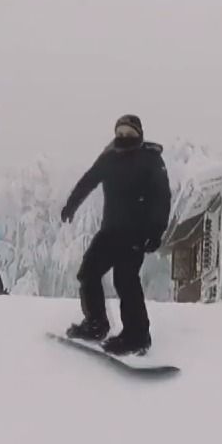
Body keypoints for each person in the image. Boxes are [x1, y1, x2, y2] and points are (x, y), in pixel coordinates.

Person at [60, 114, 171, 356]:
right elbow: (88, 181)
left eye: (129, 134)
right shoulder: (109, 157)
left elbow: (162, 198)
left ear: (139, 134)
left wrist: (155, 231)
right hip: (110, 232)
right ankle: (96, 324)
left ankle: (137, 336)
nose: (124, 137)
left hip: (136, 233)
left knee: (125, 279)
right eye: (120, 133)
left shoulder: (150, 159)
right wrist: (71, 205)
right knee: (88, 273)